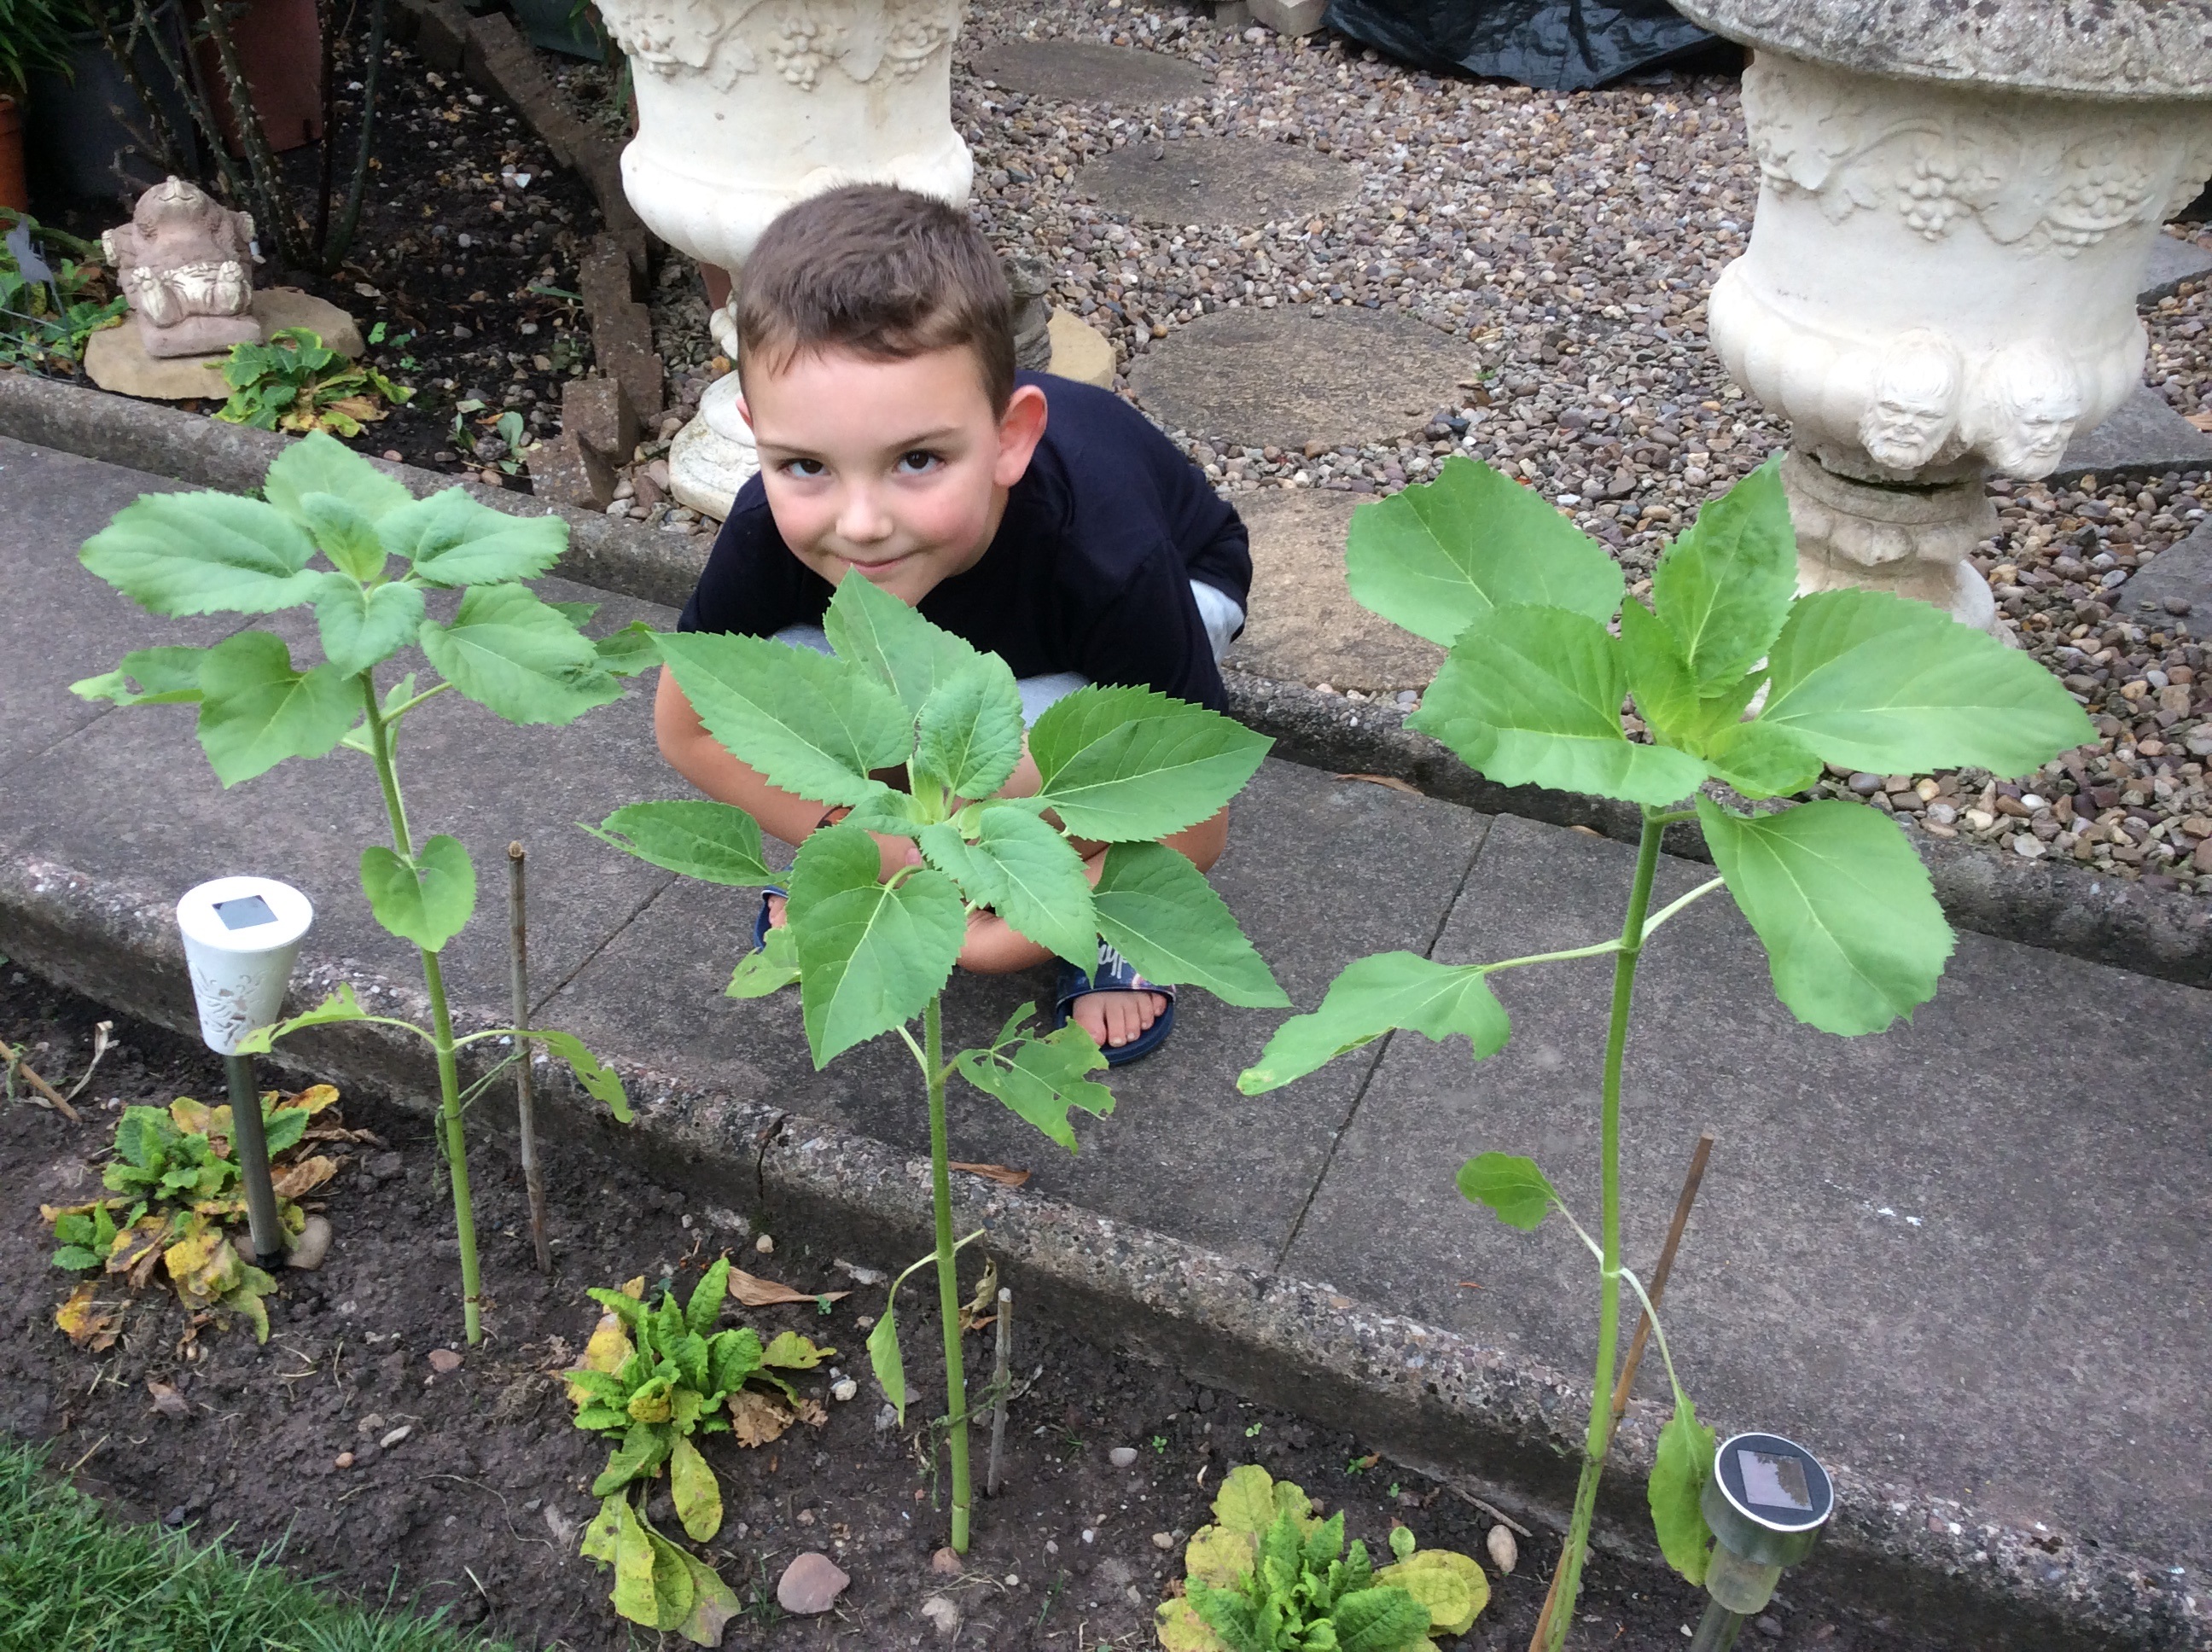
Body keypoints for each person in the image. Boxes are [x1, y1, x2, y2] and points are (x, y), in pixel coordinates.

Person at [656, 183, 1252, 1064]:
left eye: (918, 460)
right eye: (807, 464)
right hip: (957, 658)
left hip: (1156, 607)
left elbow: (1192, 813)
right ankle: (891, 849)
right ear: (758, 438)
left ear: (1011, 438)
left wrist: (1014, 924)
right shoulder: (769, 526)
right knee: (773, 685)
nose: (859, 523)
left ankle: (1108, 922)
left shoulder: (1110, 556)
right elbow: (687, 724)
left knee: (1041, 760)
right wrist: (878, 850)